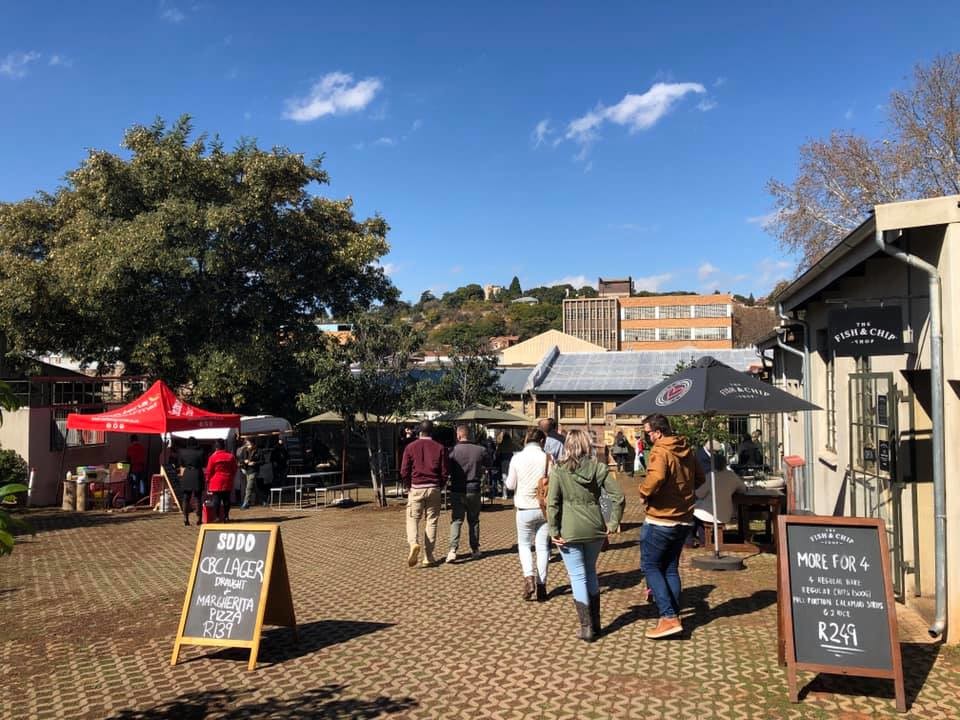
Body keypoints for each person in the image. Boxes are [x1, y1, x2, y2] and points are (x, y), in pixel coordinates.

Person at [547, 428, 624, 642]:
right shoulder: (599, 468)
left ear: (568, 446)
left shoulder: (559, 471)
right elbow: (615, 496)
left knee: (578, 576)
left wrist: (553, 530)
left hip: (568, 530)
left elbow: (552, 504)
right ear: (587, 445)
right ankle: (596, 624)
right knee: (590, 572)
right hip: (595, 528)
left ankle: (586, 627)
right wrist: (612, 522)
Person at [639, 413, 705, 639]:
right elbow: (700, 479)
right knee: (669, 568)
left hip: (661, 519)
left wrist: (643, 492)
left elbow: (656, 477)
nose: (647, 437)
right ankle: (673, 617)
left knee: (650, 566)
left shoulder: (660, 450)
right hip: (684, 519)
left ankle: (668, 617)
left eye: (647, 433)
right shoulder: (686, 448)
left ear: (657, 432)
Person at [505, 427, 552, 601]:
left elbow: (510, 485)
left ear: (526, 440)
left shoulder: (516, 458)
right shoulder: (548, 458)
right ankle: (542, 585)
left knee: (524, 545)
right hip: (543, 508)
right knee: (543, 547)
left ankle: (529, 577)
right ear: (541, 441)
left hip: (524, 508)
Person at [400, 420, 448, 568]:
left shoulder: (410, 447)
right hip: (434, 487)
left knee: (413, 518)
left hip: (416, 487)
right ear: (432, 431)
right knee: (432, 520)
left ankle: (414, 543)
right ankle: (429, 556)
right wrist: (440, 485)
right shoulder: (440, 448)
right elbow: (445, 471)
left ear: (419, 431)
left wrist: (409, 485)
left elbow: (404, 471)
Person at [446, 425, 487, 563]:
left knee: (457, 520)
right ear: (470, 435)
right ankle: (475, 549)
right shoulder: (480, 450)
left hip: (457, 489)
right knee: (474, 520)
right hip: (474, 488)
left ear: (458, 435)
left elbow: (447, 468)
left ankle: (452, 550)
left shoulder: (452, 451)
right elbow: (489, 463)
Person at [691, 452, 747, 547]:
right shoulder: (732, 476)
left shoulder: (710, 476)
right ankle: (703, 539)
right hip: (726, 512)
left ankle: (698, 540)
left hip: (709, 512)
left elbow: (699, 494)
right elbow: (743, 489)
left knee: (693, 514)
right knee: (698, 515)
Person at [205, 438, 238, 522]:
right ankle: (226, 516)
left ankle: (217, 517)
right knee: (227, 499)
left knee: (217, 499)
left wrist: (208, 480)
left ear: (216, 447)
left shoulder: (212, 457)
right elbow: (234, 469)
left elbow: (209, 470)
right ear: (224, 446)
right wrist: (231, 476)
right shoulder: (230, 456)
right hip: (227, 479)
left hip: (216, 480)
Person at [177, 437, 205, 526]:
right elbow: (203, 463)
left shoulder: (182, 452)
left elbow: (181, 464)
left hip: (187, 473)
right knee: (198, 498)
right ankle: (199, 518)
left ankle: (185, 518)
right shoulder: (201, 452)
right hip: (197, 473)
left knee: (186, 497)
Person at [238, 437, 262, 509]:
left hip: (254, 471)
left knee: (248, 487)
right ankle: (263, 499)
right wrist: (244, 461)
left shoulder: (258, 451)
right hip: (246, 470)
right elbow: (240, 459)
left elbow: (262, 461)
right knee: (253, 487)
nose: (248, 445)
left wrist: (254, 463)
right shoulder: (244, 450)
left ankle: (245, 503)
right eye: (247, 444)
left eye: (249, 444)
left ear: (253, 444)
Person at [126, 434, 147, 501]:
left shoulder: (130, 449)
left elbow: (128, 460)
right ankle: (142, 499)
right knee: (142, 484)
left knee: (135, 485)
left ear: (131, 440)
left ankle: (135, 500)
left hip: (134, 469)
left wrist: (128, 471)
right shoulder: (142, 448)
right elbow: (144, 458)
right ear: (137, 440)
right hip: (142, 468)